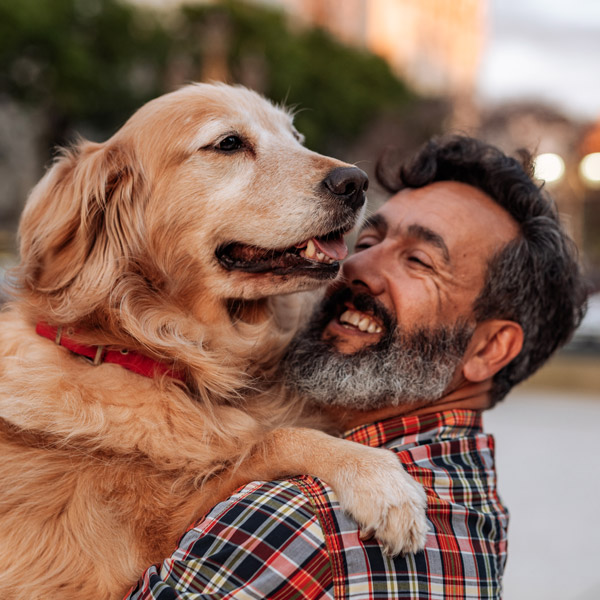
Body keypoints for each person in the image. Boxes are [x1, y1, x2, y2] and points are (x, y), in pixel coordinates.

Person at [126, 135, 587, 599]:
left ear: (490, 348)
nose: (356, 265)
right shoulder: (471, 508)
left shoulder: (304, 519)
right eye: (367, 238)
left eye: (418, 260)